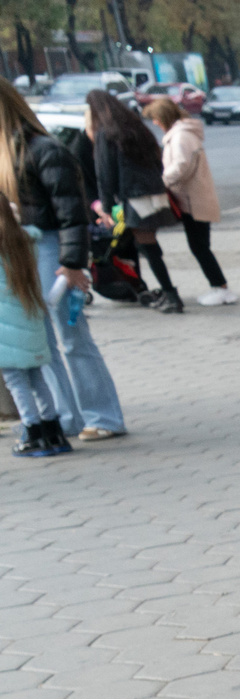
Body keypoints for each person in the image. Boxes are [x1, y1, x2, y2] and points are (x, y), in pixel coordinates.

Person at [0, 82, 124, 441]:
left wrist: (72, 263)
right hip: (21, 252)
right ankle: (64, 417)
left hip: (51, 249)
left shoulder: (44, 150)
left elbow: (72, 213)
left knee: (70, 336)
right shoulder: (12, 153)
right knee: (39, 342)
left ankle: (103, 416)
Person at [87, 90, 182, 314]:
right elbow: (158, 159)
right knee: (148, 246)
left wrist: (107, 207)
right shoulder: (135, 128)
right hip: (155, 192)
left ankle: (171, 295)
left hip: (135, 196)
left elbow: (104, 173)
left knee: (147, 247)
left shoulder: (105, 133)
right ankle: (167, 292)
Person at [0, 192, 72, 457]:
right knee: (37, 377)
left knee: (15, 381)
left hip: (4, 326)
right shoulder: (26, 241)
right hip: (31, 316)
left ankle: (31, 431)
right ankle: (53, 430)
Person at [149, 91, 233, 306]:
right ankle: (219, 286)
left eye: (155, 118)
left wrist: (163, 181)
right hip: (193, 198)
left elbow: (181, 165)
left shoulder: (180, 137)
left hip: (193, 200)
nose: (155, 123)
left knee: (199, 246)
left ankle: (221, 288)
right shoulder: (183, 134)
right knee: (199, 245)